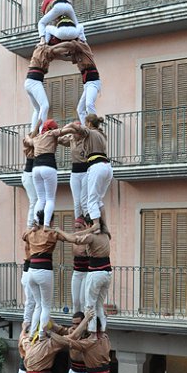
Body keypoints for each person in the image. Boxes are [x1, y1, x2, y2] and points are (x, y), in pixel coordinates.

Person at [60, 115, 112, 233]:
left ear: (88, 123)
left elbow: (76, 127)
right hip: (107, 167)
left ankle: (96, 225)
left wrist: (63, 129)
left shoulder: (89, 132)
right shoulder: (101, 134)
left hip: (96, 167)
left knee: (90, 200)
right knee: (98, 200)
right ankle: (104, 226)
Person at [22, 210, 64, 338]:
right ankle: (41, 334)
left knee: (38, 305)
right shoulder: (51, 234)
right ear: (50, 221)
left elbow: (24, 235)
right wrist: (59, 230)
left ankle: (32, 333)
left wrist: (33, 228)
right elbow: (70, 239)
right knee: (46, 306)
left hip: (31, 272)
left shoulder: (32, 233)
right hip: (44, 271)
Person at [23, 120, 64, 228]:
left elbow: (28, 139)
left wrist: (37, 125)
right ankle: (46, 225)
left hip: (35, 170)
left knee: (39, 199)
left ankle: (35, 223)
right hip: (47, 167)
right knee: (49, 199)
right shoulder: (50, 136)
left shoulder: (36, 140)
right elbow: (63, 133)